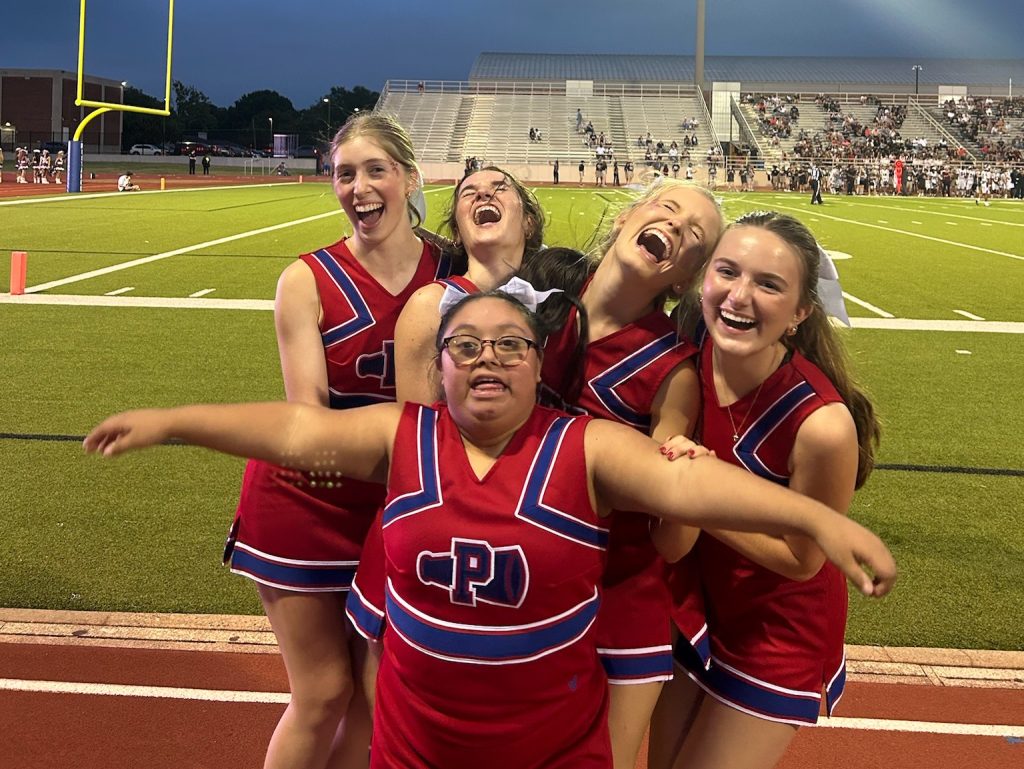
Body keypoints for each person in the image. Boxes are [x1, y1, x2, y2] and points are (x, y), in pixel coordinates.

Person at [85, 292, 895, 769]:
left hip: (550, 746)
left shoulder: (583, 446)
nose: (488, 359)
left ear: (539, 365)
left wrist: (816, 517)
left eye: (510, 345)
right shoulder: (402, 436)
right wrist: (171, 421)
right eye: (465, 345)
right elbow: (295, 432)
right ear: (438, 366)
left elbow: (689, 480)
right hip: (416, 743)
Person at [223, 112, 450, 769]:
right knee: (323, 691)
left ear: (409, 178)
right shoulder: (305, 280)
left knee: (381, 698)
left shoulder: (452, 266)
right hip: (307, 497)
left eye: (375, 170)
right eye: (344, 173)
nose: (359, 187)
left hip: (396, 502)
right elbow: (309, 421)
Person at [648, 212, 881, 769]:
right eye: (727, 272)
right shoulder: (690, 355)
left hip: (777, 634)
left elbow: (803, 560)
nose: (739, 296)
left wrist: (699, 498)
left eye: (769, 284)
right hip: (701, 607)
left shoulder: (822, 424)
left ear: (801, 312)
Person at [523, 179, 725, 769]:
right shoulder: (535, 299)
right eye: (667, 207)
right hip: (525, 576)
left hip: (618, 595)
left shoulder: (672, 371)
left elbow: (671, 540)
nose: (678, 225)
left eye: (696, 236)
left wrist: (688, 492)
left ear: (686, 279)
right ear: (626, 217)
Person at [392, 165, 545, 408]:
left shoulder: (554, 298)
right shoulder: (430, 307)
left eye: (499, 188)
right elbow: (418, 432)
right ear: (457, 232)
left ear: (529, 223)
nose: (483, 194)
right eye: (468, 193)